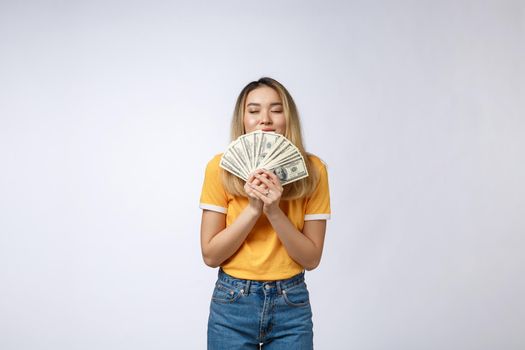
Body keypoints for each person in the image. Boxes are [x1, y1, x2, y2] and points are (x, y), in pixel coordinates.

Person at [199, 77, 331, 349]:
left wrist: (273, 211)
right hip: (232, 303)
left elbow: (311, 258)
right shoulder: (219, 169)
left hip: (291, 303)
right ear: (243, 119)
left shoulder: (314, 171)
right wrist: (253, 208)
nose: (265, 119)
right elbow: (211, 255)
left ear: (288, 117)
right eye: (254, 110)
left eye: (277, 109)